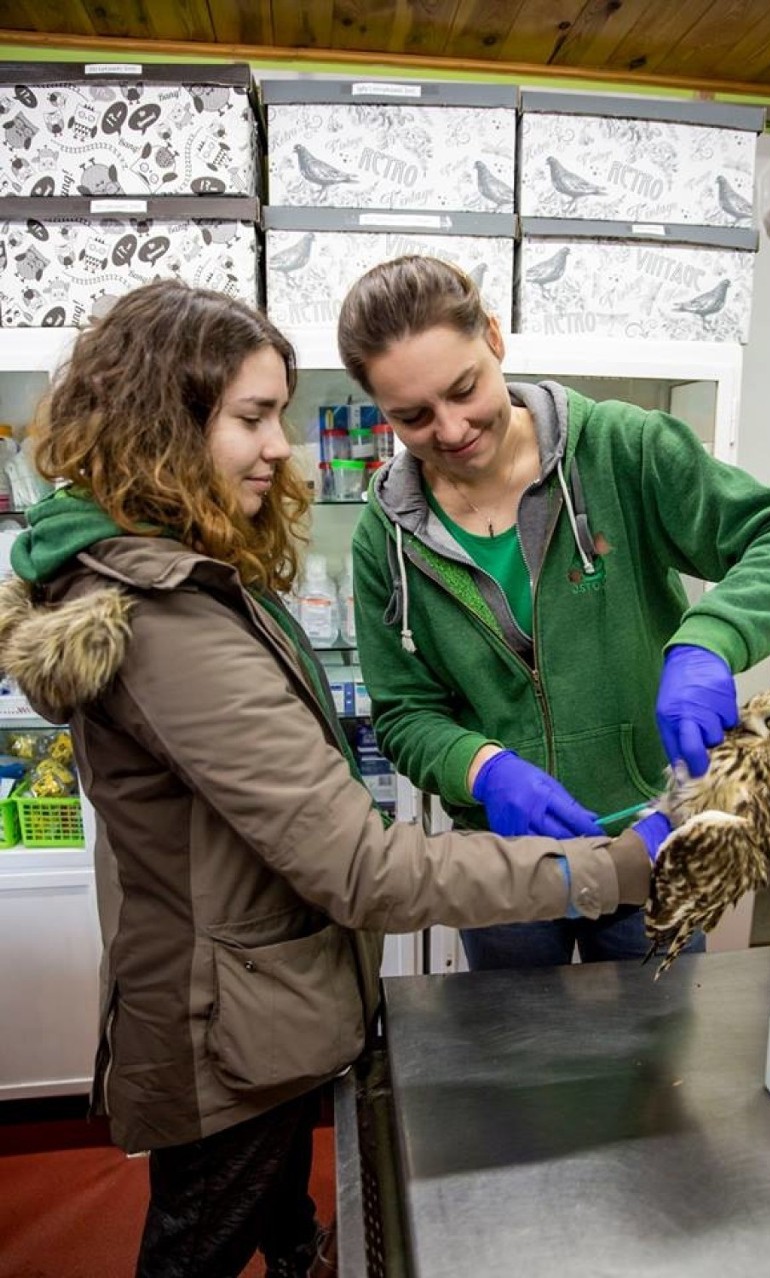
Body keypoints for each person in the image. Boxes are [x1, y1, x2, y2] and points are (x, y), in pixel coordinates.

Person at [0, 279, 667, 1278]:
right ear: (161, 424)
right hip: (231, 1035)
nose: (283, 446)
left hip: (252, 1004)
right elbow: (362, 869)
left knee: (277, 1215)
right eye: (255, 417)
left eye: (285, 416)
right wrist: (607, 868)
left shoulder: (176, 572)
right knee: (199, 1243)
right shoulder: (171, 623)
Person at [336, 254, 770, 973]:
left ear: (493, 336)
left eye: (464, 389)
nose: (450, 431)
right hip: (506, 866)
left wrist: (707, 641)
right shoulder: (383, 537)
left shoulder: (622, 450)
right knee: (515, 1057)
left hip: (654, 833)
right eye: (412, 417)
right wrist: (482, 769)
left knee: (652, 1055)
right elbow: (402, 712)